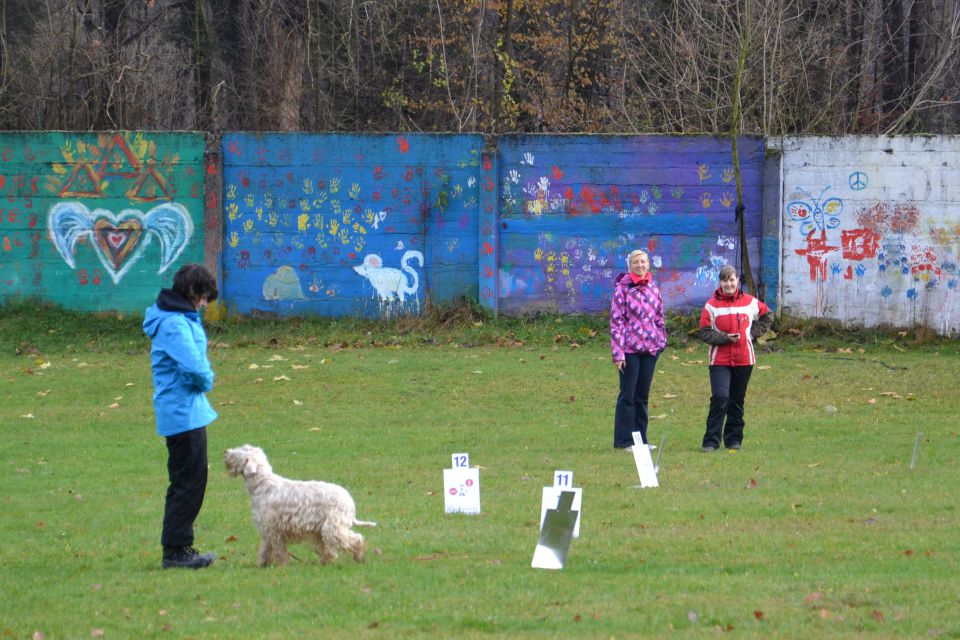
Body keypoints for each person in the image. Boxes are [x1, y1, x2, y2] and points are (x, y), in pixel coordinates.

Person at [142, 263, 220, 569]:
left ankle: (179, 547)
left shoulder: (179, 317)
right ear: (192, 291)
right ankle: (176, 550)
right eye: (203, 298)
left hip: (187, 411)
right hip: (182, 412)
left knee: (191, 480)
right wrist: (207, 381)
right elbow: (193, 365)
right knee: (188, 482)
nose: (204, 304)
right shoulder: (174, 324)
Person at [698, 265, 773, 452]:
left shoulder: (750, 302)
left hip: (744, 359)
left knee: (737, 399)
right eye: (725, 280)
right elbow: (704, 333)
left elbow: (768, 315)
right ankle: (711, 441)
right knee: (720, 397)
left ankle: (733, 440)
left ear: (737, 281)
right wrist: (724, 338)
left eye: (732, 280)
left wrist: (752, 334)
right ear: (720, 283)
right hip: (719, 360)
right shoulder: (711, 306)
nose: (729, 284)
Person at [610, 249, 667, 450]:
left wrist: (661, 342)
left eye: (643, 261)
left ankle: (641, 440)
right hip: (629, 350)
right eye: (636, 262)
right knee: (628, 395)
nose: (640, 265)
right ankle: (624, 441)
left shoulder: (653, 288)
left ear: (648, 264)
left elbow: (659, 317)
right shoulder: (622, 289)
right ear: (630, 266)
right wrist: (618, 353)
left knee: (642, 396)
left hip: (650, 349)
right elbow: (616, 322)